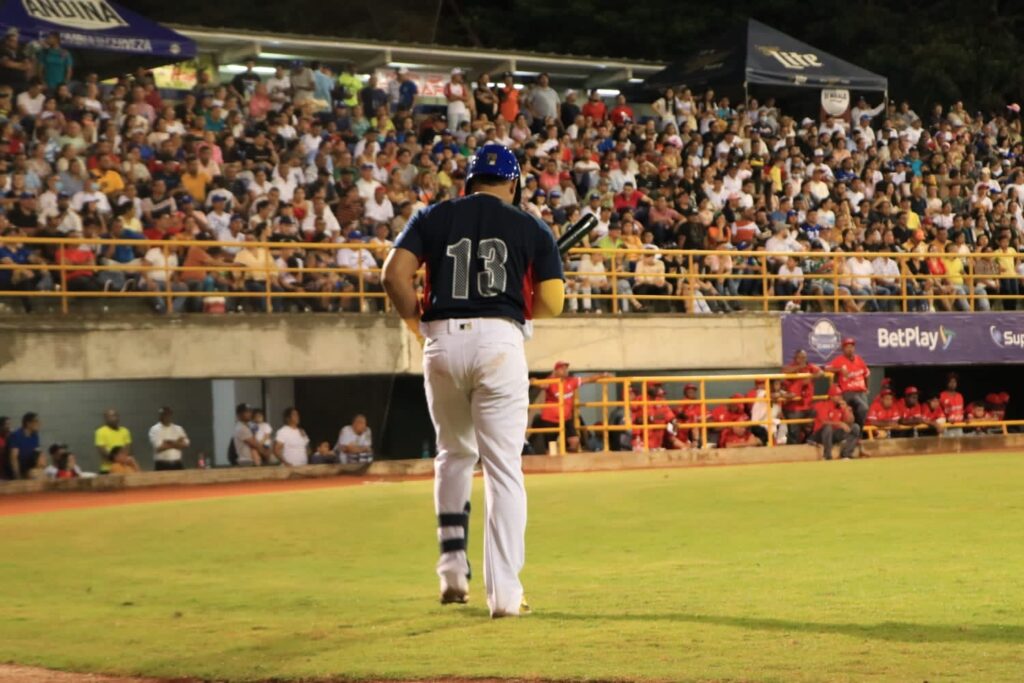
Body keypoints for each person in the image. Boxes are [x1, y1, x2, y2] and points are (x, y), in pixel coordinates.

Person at [382, 143, 564, 617]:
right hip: (498, 342)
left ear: (469, 181)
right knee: (503, 469)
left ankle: (451, 569)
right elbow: (553, 302)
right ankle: (503, 595)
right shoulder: (531, 225)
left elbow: (393, 276)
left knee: (453, 453)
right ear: (513, 182)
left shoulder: (433, 216)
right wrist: (523, 302)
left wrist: (416, 325)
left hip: (441, 341)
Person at [531, 361, 610, 453]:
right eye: (562, 369)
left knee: (575, 441)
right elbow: (541, 384)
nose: (565, 371)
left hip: (566, 418)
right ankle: (552, 464)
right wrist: (533, 380)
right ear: (555, 371)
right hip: (550, 419)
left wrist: (602, 375)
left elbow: (588, 379)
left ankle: (568, 459)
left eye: (566, 369)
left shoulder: (571, 381)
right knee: (551, 447)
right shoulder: (551, 380)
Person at [826, 337, 870, 426]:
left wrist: (867, 388)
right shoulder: (839, 360)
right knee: (863, 408)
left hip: (861, 391)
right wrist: (839, 369)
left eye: (851, 347)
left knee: (862, 412)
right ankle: (858, 433)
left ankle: (856, 432)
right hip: (849, 392)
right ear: (843, 349)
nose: (850, 349)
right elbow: (826, 368)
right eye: (847, 347)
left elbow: (866, 374)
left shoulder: (859, 359)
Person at [810, 385, 860, 460]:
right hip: (820, 435)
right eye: (838, 395)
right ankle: (827, 456)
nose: (840, 397)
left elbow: (850, 421)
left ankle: (846, 454)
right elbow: (824, 422)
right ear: (831, 396)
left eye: (840, 395)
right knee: (828, 428)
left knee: (855, 427)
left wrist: (846, 410)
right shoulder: (823, 405)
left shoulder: (841, 406)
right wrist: (840, 424)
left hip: (835, 434)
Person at [148, 406, 190, 471]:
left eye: (168, 414)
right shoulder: (154, 429)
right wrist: (177, 442)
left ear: (171, 415)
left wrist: (168, 442)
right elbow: (159, 447)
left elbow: (186, 444)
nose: (166, 417)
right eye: (164, 415)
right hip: (161, 465)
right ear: (160, 416)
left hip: (177, 464)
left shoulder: (178, 429)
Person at [95, 408, 131, 475]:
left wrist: (123, 460)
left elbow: (127, 450)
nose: (114, 418)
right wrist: (119, 461)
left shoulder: (125, 431)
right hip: (107, 469)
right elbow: (103, 452)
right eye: (111, 416)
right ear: (105, 419)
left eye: (116, 415)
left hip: (124, 469)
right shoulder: (100, 432)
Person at [8, 412, 41, 480]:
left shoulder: (35, 436)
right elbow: (13, 458)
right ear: (28, 423)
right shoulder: (16, 436)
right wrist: (17, 476)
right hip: (16, 472)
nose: (39, 424)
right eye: (36, 421)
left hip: (29, 470)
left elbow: (36, 454)